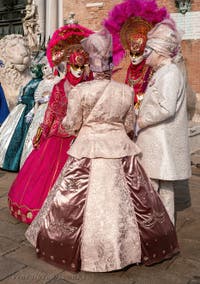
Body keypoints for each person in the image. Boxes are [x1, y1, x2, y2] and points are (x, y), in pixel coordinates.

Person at [25, 28, 179, 273]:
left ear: (92, 67)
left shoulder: (80, 91)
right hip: (120, 149)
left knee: (72, 202)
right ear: (110, 67)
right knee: (132, 201)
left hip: (87, 147)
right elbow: (129, 124)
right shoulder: (126, 91)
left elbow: (71, 123)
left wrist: (79, 128)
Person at [8, 23, 93, 224]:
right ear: (69, 65)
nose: (79, 71)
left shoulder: (90, 87)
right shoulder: (59, 88)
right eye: (75, 66)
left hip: (84, 139)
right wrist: (42, 132)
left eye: (82, 67)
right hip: (59, 137)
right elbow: (51, 113)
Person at [136, 18, 191, 224]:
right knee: (159, 188)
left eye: (148, 50)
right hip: (157, 142)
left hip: (161, 142)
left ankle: (160, 230)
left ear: (159, 51)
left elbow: (166, 108)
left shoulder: (169, 73)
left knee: (158, 188)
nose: (144, 55)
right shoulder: (162, 72)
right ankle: (162, 229)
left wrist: (141, 121)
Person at [0, 61, 43, 172]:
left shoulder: (38, 82)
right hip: (21, 110)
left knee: (20, 135)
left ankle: (15, 163)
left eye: (34, 69)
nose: (32, 71)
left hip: (27, 111)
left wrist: (23, 99)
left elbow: (35, 99)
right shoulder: (31, 81)